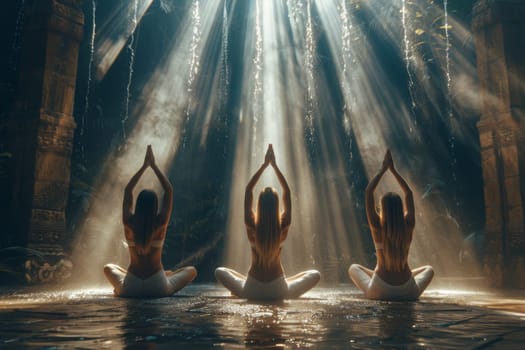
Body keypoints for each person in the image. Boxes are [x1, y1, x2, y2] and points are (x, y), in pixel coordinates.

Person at [215, 144, 320, 300]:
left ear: (259, 205)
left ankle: (244, 286)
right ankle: (287, 283)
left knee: (220, 271)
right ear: (277, 205)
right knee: (314, 274)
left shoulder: (251, 224)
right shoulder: (283, 226)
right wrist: (275, 166)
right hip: (280, 290)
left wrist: (264, 165)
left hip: (250, 290)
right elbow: (287, 191)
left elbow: (248, 190)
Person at [104, 145, 197, 297]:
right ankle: (168, 275)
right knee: (192, 270)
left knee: (108, 267)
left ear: (138, 205)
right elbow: (169, 191)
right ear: (155, 207)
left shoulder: (129, 223)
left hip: (130, 287)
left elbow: (128, 190)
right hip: (158, 287)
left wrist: (143, 167)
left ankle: (121, 287)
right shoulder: (160, 223)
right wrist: (153, 166)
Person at [348, 150, 434, 300]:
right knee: (429, 269)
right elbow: (408, 193)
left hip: (380, 291)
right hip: (409, 291)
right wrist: (394, 171)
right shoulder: (408, 224)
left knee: (354, 268)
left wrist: (383, 170)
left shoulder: (377, 227)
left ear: (383, 209)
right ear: (401, 208)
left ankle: (374, 282)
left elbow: (369, 192)